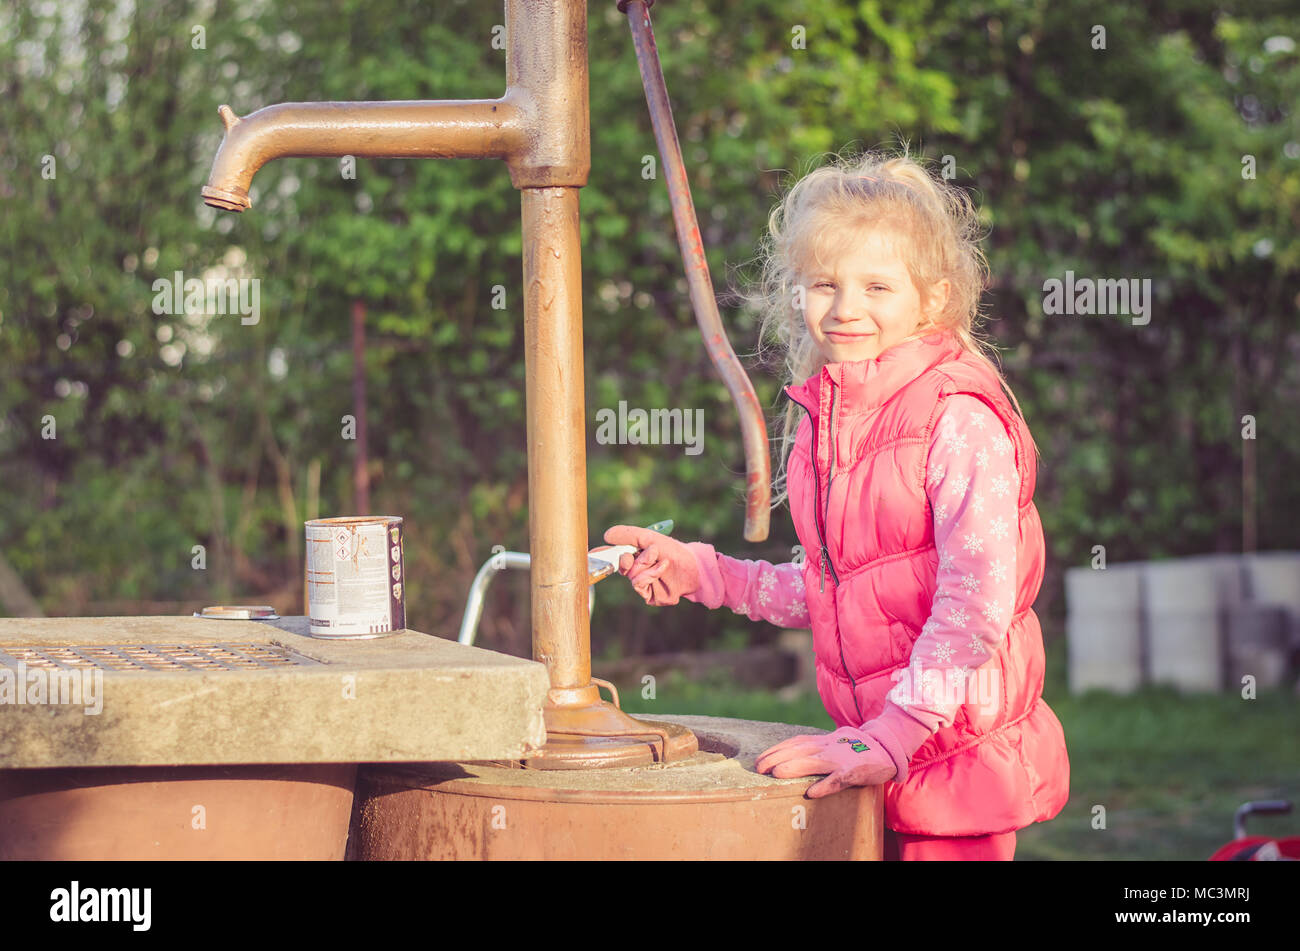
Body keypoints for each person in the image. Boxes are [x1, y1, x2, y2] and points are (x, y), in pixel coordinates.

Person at [601, 150, 1069, 861]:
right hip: (882, 755)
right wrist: (705, 572)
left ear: (933, 298)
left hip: (951, 763)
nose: (846, 307)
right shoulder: (831, 417)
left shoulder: (956, 418)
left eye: (877, 285)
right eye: (825, 283)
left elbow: (976, 607)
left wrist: (894, 733)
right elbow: (841, 593)